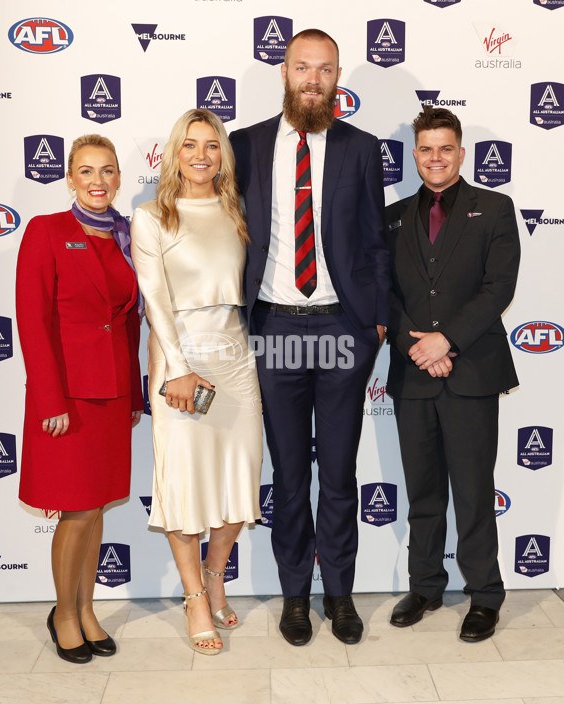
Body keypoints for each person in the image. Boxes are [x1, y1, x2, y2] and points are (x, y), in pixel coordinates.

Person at [229, 29, 390, 646]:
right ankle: (295, 595)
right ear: (285, 73)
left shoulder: (361, 148)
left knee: (340, 472)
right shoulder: (244, 146)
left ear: (339, 75)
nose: (314, 80)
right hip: (273, 327)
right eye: (303, 68)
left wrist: (372, 321)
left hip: (341, 327)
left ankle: (340, 595)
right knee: (291, 474)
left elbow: (375, 242)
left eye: (325, 70)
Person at [130, 109, 263, 656]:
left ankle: (214, 574)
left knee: (239, 478)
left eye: (212, 145)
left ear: (223, 155)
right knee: (184, 484)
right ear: (174, 153)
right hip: (179, 356)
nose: (202, 155)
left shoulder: (237, 210)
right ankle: (192, 598)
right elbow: (154, 299)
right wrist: (178, 368)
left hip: (235, 357)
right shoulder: (151, 215)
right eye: (190, 145)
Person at [386, 106, 520, 642]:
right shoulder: (393, 217)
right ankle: (425, 587)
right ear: (413, 154)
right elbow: (385, 294)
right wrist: (418, 346)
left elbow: (499, 287)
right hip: (414, 371)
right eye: (425, 149)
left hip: (471, 373)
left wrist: (448, 340)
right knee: (422, 491)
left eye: (445, 148)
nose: (435, 158)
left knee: (471, 488)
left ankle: (485, 595)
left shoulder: (495, 208)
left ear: (461, 153)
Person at [16, 134, 144, 663]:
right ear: (69, 178)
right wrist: (50, 402)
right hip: (65, 399)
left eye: (107, 171)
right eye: (86, 172)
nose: (97, 182)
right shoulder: (46, 232)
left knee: (95, 513)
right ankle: (63, 614)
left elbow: (130, 322)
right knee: (74, 511)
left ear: (118, 178)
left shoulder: (126, 236)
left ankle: (87, 609)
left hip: (113, 395)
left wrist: (135, 392)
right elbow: (32, 320)